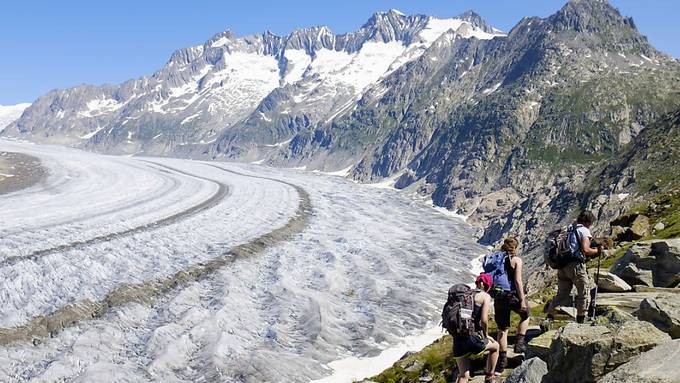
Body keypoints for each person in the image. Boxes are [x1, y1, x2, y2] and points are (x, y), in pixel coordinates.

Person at [543, 210, 601, 328]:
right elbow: (586, 250)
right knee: (584, 292)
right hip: (575, 266)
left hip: (562, 265)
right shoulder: (583, 230)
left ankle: (548, 319)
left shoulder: (569, 228)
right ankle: (581, 321)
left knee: (561, 294)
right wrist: (597, 251)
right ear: (588, 221)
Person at [482, 237, 530, 373]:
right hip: (511, 295)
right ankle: (519, 345)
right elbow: (518, 281)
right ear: (515, 248)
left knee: (502, 329)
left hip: (498, 296)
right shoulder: (516, 260)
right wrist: (521, 300)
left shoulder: (497, 259)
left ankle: (502, 362)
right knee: (526, 315)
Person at [453, 273, 499, 383]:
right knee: (496, 346)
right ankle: (489, 376)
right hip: (472, 339)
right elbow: (484, 320)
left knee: (464, 375)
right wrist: (486, 335)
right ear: (487, 286)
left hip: (458, 339)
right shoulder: (485, 296)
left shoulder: (464, 295)